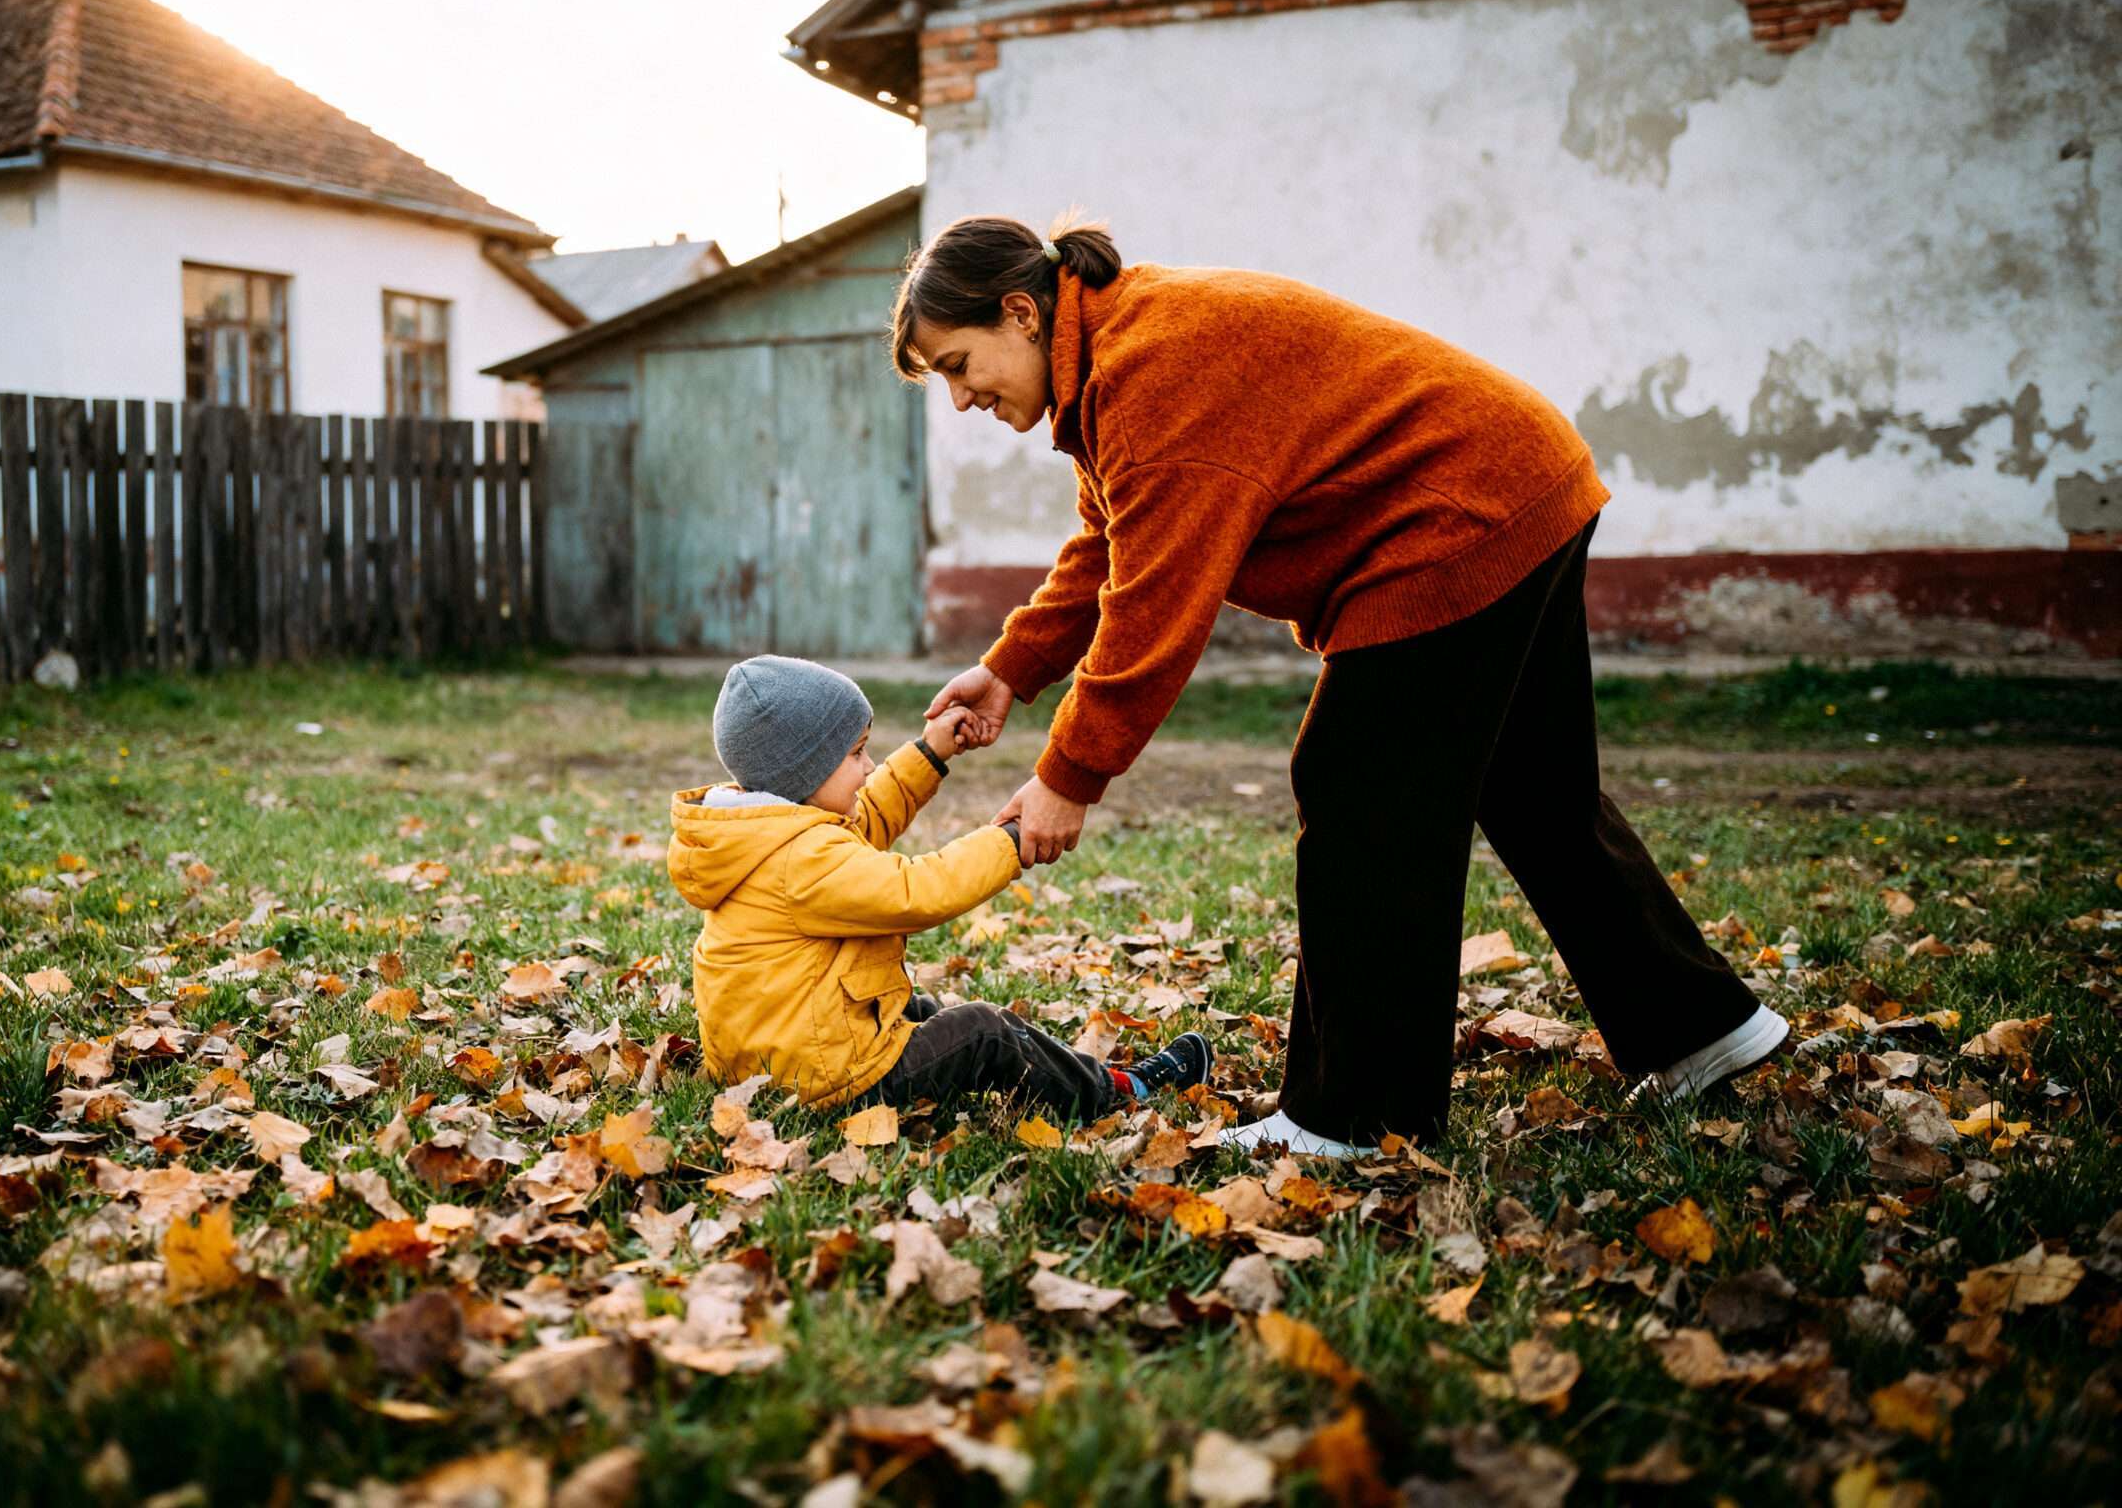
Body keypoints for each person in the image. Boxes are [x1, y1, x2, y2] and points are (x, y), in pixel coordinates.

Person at [900, 216, 1786, 1157]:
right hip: (1520, 483)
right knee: (1533, 791)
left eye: (959, 365)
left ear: (1021, 313)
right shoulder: (1115, 357)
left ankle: (1356, 1116)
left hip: (1452, 516)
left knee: (1358, 787)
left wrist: (1070, 773)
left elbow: (1156, 601)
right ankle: (1705, 1031)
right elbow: (1110, 542)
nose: (960, 399)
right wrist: (1008, 670)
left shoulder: (1149, 369)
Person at [674, 654, 1213, 1120]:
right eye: (856, 753)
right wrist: (1011, 839)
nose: (866, 769)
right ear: (803, 771)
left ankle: (1075, 1074)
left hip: (778, 1057)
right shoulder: (801, 860)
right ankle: (1118, 1091)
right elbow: (920, 890)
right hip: (829, 1081)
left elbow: (867, 818)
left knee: (921, 1010)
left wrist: (929, 753)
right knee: (983, 1032)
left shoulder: (764, 831)